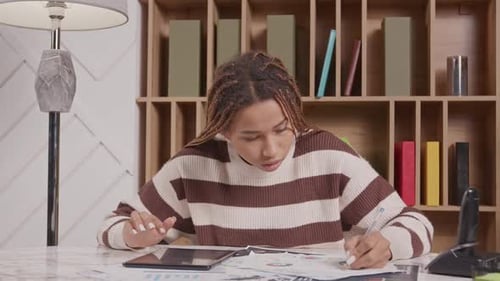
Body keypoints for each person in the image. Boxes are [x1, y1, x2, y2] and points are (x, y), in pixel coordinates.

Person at [98, 51, 433, 269]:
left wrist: (387, 246)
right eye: (251, 137)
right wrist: (133, 236)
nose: (271, 150)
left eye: (282, 129)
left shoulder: (328, 156)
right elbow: (112, 225)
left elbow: (417, 224)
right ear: (225, 131)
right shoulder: (193, 166)